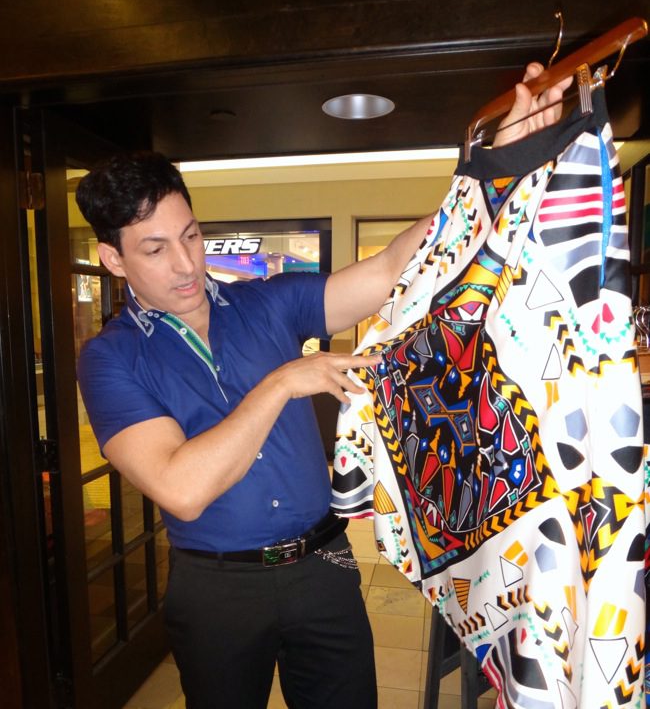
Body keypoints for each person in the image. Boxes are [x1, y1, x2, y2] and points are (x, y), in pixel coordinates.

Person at [75, 63, 570, 709]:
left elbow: (390, 269)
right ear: (113, 259)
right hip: (217, 586)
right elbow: (182, 489)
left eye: (191, 235)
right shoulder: (110, 357)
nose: (187, 263)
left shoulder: (265, 303)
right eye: (155, 249)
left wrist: (494, 173)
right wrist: (283, 381)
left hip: (325, 562)